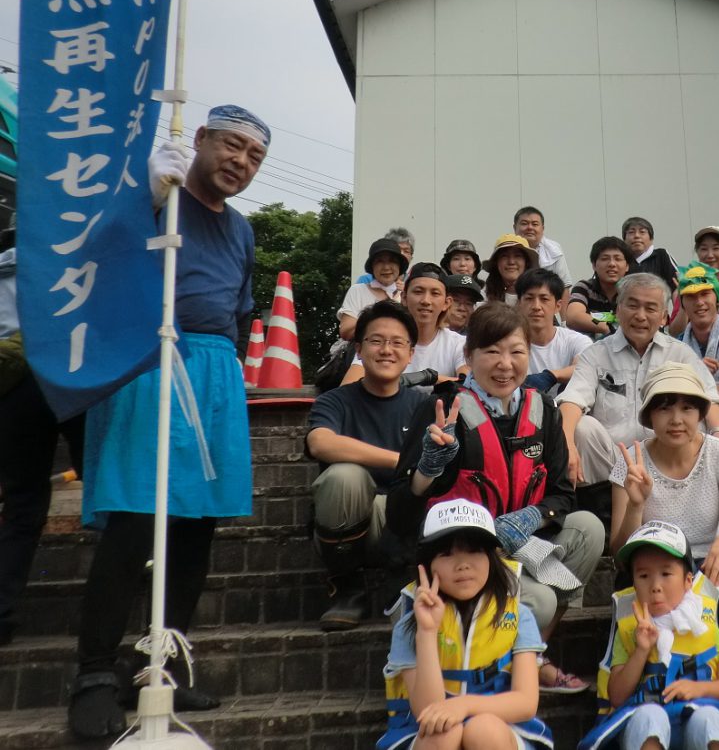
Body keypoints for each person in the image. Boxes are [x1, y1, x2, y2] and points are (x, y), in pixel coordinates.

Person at [68, 104, 269, 739]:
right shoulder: (154, 198)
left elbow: (239, 310)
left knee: (196, 530)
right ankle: (94, 672)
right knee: (133, 521)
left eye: (255, 155)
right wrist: (148, 195)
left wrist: (227, 366)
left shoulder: (241, 230)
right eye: (231, 145)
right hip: (153, 356)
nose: (240, 161)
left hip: (213, 370)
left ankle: (161, 664)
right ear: (200, 140)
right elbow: (94, 251)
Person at [386, 303, 604, 692]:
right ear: (469, 356)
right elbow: (401, 515)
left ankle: (529, 657)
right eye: (492, 351)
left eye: (516, 352)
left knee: (588, 528)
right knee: (539, 600)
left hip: (520, 542)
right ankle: (496, 672)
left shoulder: (544, 410)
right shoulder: (442, 408)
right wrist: (429, 468)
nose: (505, 364)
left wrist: (532, 517)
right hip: (465, 552)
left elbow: (562, 494)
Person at [609, 363, 719, 674]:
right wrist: (636, 505)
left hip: (710, 566)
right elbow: (619, 552)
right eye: (665, 408)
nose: (677, 419)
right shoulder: (631, 461)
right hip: (656, 566)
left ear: (700, 413)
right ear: (650, 415)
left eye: (687, 408)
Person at [380, 498, 553, 750]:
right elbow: (427, 710)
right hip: (427, 730)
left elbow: (526, 703)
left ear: (492, 558)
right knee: (443, 732)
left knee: (484, 730)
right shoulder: (409, 627)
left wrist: (464, 705)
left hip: (502, 726)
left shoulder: (519, 616)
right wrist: (427, 632)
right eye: (446, 553)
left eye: (474, 550)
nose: (462, 564)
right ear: (427, 566)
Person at [579, 520, 719, 750]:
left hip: (696, 715)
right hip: (647, 721)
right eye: (644, 576)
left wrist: (699, 689)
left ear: (688, 581)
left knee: (708, 718)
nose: (655, 586)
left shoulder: (703, 622)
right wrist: (641, 650)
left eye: (666, 573)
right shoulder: (630, 628)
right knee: (650, 716)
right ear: (634, 583)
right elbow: (617, 697)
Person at [307, 301, 423, 630]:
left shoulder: (423, 405)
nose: (387, 350)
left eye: (397, 342)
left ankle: (407, 584)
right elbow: (320, 443)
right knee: (344, 476)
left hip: (405, 521)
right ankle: (347, 587)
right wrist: (400, 461)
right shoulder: (335, 400)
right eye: (376, 341)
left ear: (411, 353)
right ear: (359, 349)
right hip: (353, 520)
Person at [558, 272, 719, 487]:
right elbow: (573, 399)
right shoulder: (595, 355)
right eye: (632, 306)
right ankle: (600, 509)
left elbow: (710, 400)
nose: (640, 316)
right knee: (583, 427)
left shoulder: (680, 354)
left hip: (669, 460)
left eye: (650, 308)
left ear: (664, 317)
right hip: (612, 464)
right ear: (618, 310)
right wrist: (567, 445)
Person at [0, 221, 86, 647]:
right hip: (72, 375)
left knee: (22, 504)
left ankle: (2, 612)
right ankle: (131, 566)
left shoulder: (3, 270)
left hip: (14, 388)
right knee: (107, 478)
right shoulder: (69, 260)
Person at [344, 262, 469, 388]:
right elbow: (348, 389)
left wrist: (426, 378)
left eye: (435, 293)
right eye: (418, 291)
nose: (426, 301)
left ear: (446, 303)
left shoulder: (458, 344)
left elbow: (468, 385)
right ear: (404, 298)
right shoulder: (380, 341)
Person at [515, 268, 590, 393]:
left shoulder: (575, 340)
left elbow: (586, 367)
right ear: (519, 304)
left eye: (544, 299)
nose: (536, 307)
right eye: (529, 298)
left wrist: (551, 376)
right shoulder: (506, 343)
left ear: (558, 306)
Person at [337, 237, 408, 340]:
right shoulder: (358, 291)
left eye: (392, 261)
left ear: (399, 266)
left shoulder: (408, 295)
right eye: (380, 261)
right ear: (372, 266)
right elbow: (346, 332)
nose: (386, 267)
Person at [564, 237, 635, 338]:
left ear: (627, 266)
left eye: (618, 259)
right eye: (605, 259)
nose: (612, 264)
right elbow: (573, 317)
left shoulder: (633, 291)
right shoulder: (584, 287)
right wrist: (605, 328)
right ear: (594, 265)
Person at [513, 206, 571, 289]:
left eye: (535, 224)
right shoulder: (505, 248)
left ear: (542, 229)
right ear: (515, 228)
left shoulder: (554, 249)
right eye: (524, 223)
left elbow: (565, 285)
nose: (530, 227)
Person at [622, 216, 678, 293]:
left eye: (642, 232)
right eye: (631, 232)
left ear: (651, 239)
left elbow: (676, 286)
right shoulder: (620, 260)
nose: (637, 236)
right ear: (624, 239)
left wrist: (679, 305)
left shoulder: (662, 255)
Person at [482, 234, 539, 306]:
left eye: (517, 256)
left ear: (526, 263)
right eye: (504, 256)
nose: (511, 262)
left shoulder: (539, 293)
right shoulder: (483, 296)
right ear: (496, 263)